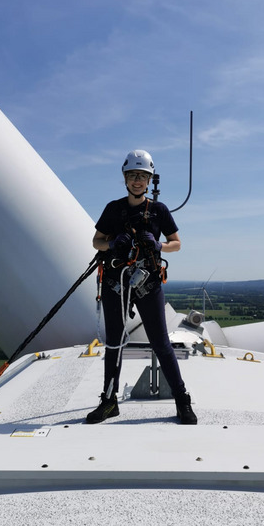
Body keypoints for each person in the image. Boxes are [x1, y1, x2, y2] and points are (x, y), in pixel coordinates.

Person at [86, 149, 197, 425]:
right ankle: (109, 401)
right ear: (126, 178)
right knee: (114, 343)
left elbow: (177, 243)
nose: (137, 181)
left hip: (147, 283)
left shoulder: (158, 211)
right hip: (116, 283)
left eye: (142, 176)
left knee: (160, 342)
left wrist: (159, 245)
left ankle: (182, 400)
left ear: (149, 181)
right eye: (133, 175)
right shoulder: (114, 209)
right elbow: (96, 241)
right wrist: (112, 244)